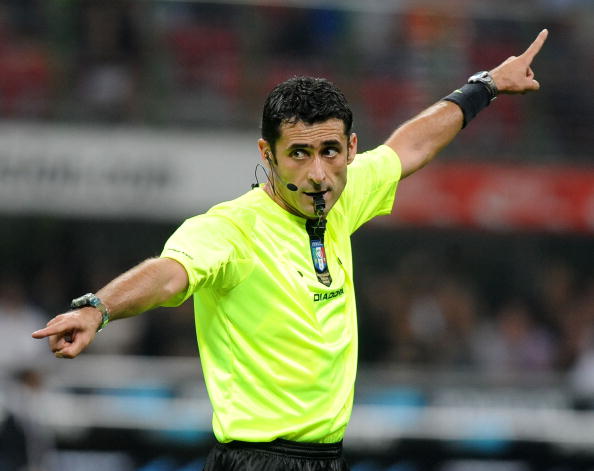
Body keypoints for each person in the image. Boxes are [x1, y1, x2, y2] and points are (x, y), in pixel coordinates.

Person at [32, 29, 549, 471]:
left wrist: (486, 85)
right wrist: (98, 308)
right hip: (255, 460)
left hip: (328, 457)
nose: (318, 173)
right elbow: (169, 274)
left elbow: (410, 145)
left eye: (330, 152)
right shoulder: (230, 229)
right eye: (299, 154)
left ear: (350, 148)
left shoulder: (345, 193)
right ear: (269, 154)